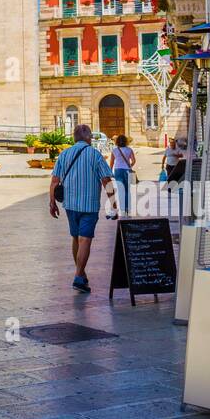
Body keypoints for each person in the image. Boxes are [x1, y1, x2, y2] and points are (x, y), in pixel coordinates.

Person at [49, 123, 120, 294]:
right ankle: (79, 276)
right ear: (89, 137)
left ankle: (81, 274)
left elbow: (54, 181)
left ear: (74, 138)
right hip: (89, 205)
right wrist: (113, 203)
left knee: (76, 238)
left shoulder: (64, 154)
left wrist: (52, 202)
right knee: (85, 239)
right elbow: (106, 181)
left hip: (70, 204)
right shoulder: (95, 155)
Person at [109, 134, 136, 215]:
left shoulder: (114, 150)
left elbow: (111, 162)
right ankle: (128, 209)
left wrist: (110, 172)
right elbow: (134, 161)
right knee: (127, 191)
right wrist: (129, 166)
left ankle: (123, 210)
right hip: (127, 171)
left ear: (117, 142)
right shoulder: (129, 150)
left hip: (118, 171)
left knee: (121, 191)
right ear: (126, 141)